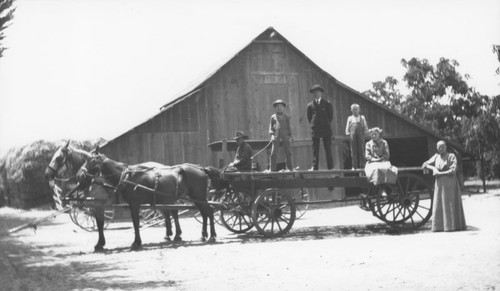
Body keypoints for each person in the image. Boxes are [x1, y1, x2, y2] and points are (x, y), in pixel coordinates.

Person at [422, 140, 466, 232]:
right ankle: (439, 227)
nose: (440, 148)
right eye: (438, 147)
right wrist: (433, 168)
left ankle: (452, 226)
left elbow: (452, 171)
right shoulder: (436, 156)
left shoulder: (451, 156)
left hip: (450, 184)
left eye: (442, 146)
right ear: (437, 148)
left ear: (446, 147)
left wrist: (440, 173)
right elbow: (424, 164)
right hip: (439, 185)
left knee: (450, 204)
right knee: (439, 203)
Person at [306, 84, 334, 170]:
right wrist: (315, 124)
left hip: (326, 128)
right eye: (315, 92)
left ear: (321, 93)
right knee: (315, 149)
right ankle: (314, 167)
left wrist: (325, 123)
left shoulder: (327, 103)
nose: (316, 94)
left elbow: (330, 116)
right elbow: (309, 118)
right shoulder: (310, 105)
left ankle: (331, 167)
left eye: (318, 92)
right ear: (313, 94)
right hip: (315, 129)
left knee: (328, 149)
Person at [269, 99, 293, 171]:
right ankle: (272, 169)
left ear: (283, 108)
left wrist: (290, 136)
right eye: (277, 107)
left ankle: (290, 168)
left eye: (281, 106)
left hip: (285, 135)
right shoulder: (273, 117)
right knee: (273, 153)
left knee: (288, 152)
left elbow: (289, 127)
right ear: (275, 108)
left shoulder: (287, 117)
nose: (279, 108)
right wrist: (272, 135)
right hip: (276, 136)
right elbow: (271, 127)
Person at [345, 103, 369, 169]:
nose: (355, 111)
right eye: (353, 109)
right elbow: (347, 128)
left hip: (360, 135)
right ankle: (354, 166)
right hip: (353, 135)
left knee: (361, 150)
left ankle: (363, 166)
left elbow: (365, 127)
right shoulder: (350, 118)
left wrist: (366, 132)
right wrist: (347, 133)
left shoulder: (362, 117)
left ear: (359, 110)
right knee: (353, 151)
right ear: (351, 110)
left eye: (356, 109)